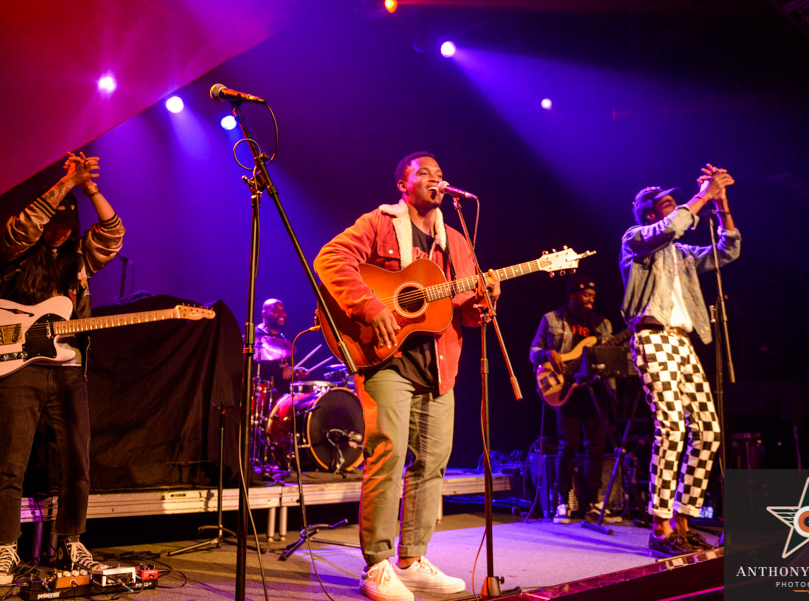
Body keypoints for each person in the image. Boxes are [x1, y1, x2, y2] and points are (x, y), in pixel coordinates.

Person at [314, 152, 500, 601]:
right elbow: (330, 258)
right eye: (426, 173)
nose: (437, 179)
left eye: (441, 174)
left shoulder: (456, 240)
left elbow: (467, 314)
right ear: (403, 183)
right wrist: (372, 306)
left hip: (439, 364)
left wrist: (484, 301)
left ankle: (412, 560)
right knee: (389, 454)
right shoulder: (377, 223)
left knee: (433, 461)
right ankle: (376, 565)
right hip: (384, 358)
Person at [0, 152, 124, 586]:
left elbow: (114, 234)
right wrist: (65, 182)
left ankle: (72, 541)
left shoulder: (79, 258)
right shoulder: (18, 251)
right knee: (11, 462)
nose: (59, 231)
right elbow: (22, 225)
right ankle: (5, 548)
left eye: (67, 225)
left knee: (77, 463)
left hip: (68, 370)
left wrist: (91, 189)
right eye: (53, 224)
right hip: (19, 369)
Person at [619, 164, 739, 557]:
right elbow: (671, 228)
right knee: (671, 427)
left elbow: (727, 251)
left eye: (677, 200)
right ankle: (660, 523)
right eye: (666, 204)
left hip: (683, 344)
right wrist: (703, 195)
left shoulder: (682, 253)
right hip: (652, 339)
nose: (677, 205)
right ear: (650, 212)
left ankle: (684, 519)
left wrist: (720, 204)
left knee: (708, 430)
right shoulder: (637, 238)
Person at [528, 276, 616, 524]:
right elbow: (533, 351)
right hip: (565, 391)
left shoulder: (602, 324)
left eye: (593, 294)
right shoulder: (552, 319)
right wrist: (547, 353)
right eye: (586, 294)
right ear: (572, 295)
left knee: (597, 448)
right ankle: (563, 502)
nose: (591, 298)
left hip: (594, 391)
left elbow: (609, 359)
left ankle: (593, 503)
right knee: (568, 446)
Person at [254, 298, 309, 388]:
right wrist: (279, 372)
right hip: (261, 394)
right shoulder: (255, 336)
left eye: (283, 311)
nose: (282, 315)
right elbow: (250, 368)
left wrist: (295, 372)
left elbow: (285, 371)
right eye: (276, 311)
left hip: (282, 396)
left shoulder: (282, 338)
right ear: (264, 314)